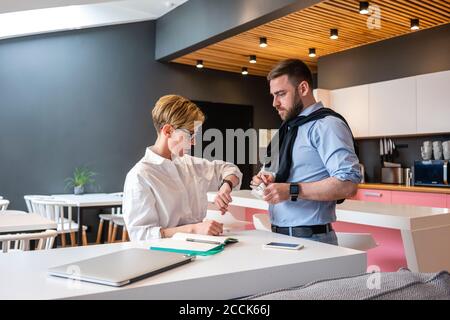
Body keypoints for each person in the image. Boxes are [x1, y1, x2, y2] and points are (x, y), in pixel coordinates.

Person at [252, 59, 362, 245]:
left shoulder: (327, 125)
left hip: (312, 239)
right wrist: (269, 179)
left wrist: (292, 190)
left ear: (303, 88)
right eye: (273, 95)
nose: (274, 103)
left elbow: (348, 184)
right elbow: (292, 173)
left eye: (280, 94)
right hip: (278, 235)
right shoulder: (290, 128)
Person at [123, 95, 242, 241]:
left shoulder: (190, 164)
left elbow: (230, 169)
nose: (194, 143)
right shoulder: (140, 176)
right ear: (168, 131)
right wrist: (193, 229)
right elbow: (141, 235)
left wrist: (226, 186)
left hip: (202, 250)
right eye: (190, 135)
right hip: (164, 256)